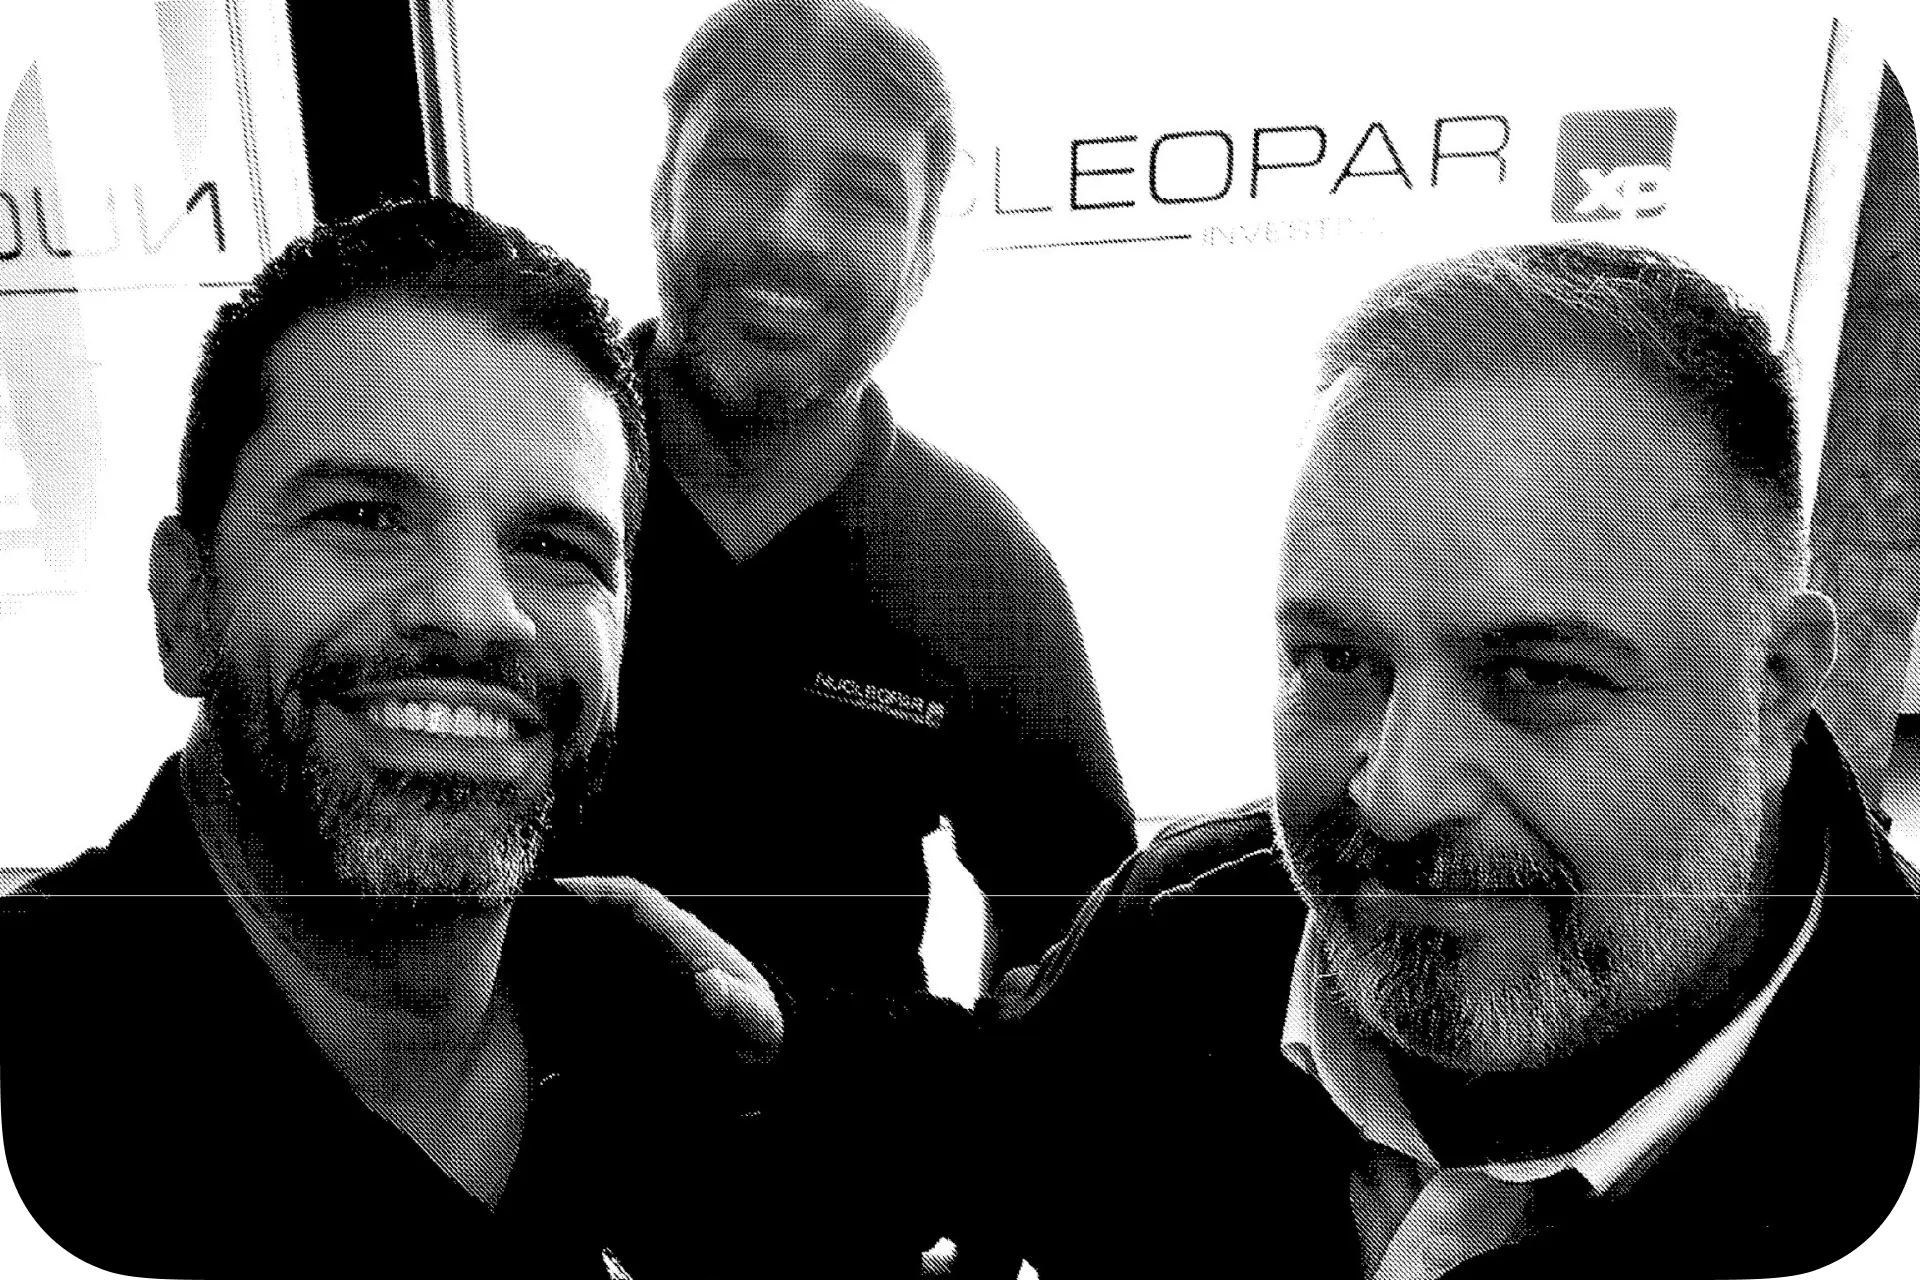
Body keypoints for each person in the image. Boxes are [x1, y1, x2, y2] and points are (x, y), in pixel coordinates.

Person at [984, 242, 1920, 1277]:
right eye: (1336, 659)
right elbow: (989, 1116)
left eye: (1537, 676)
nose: (1397, 797)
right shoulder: (1182, 937)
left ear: (1773, 684)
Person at [0, 198, 792, 1278]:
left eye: (557, 546)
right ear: (187, 607)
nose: (478, 612)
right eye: (366, 515)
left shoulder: (659, 1016)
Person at [559, 0, 1135, 996]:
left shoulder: (978, 557)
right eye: (744, 168)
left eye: (863, 196)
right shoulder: (522, 484)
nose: (792, 235)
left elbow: (1070, 915)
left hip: (849, 1098)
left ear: (921, 258)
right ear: (663, 195)